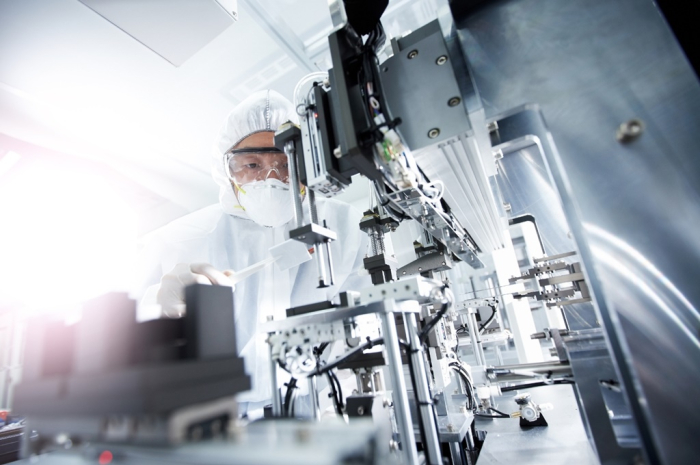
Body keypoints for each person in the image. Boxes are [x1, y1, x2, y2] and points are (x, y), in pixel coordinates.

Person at [138, 89, 370, 414]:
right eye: (251, 164)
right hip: (214, 415)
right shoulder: (179, 240)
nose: (270, 178)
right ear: (226, 170)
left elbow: (365, 323)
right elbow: (122, 346)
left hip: (315, 406)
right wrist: (158, 311)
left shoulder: (343, 227)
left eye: (285, 163)